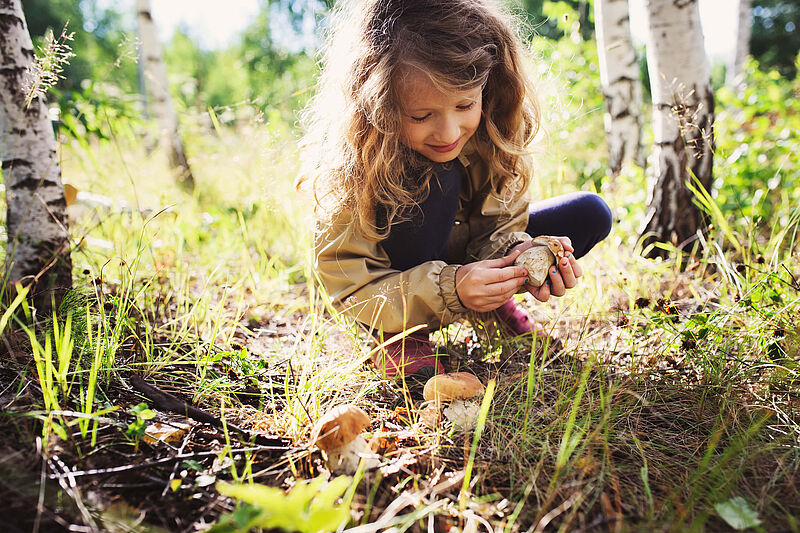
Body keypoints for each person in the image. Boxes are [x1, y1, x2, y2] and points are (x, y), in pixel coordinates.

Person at [298, 0, 612, 385]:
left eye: (465, 105)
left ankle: (494, 305)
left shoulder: (494, 131)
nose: (448, 134)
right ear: (378, 104)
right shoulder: (355, 163)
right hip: (393, 283)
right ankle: (399, 336)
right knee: (435, 177)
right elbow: (352, 285)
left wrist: (514, 259)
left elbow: (500, 223)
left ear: (488, 86)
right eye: (420, 116)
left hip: (460, 252)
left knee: (589, 212)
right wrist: (453, 288)